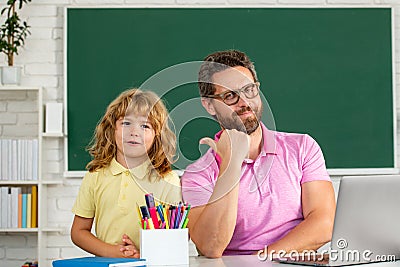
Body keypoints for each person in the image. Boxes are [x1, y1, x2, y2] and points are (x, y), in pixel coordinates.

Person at [181, 50, 336, 258]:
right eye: (230, 96)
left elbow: (324, 224)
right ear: (209, 105)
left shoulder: (303, 147)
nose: (244, 102)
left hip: (294, 262)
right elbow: (211, 246)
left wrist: (261, 260)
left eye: (249, 90)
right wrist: (231, 162)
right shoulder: (197, 175)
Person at [71, 88, 182, 258]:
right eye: (126, 123)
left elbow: (175, 239)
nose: (134, 132)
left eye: (145, 126)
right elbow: (78, 231)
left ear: (157, 136)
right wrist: (112, 252)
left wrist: (141, 254)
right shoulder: (95, 176)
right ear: (111, 129)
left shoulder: (168, 180)